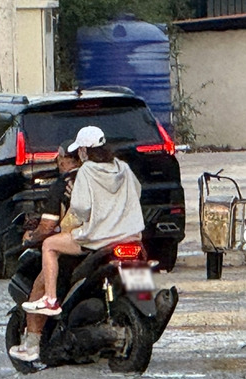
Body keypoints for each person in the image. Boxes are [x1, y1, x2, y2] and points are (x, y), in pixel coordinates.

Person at [21, 126, 144, 318]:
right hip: (130, 235)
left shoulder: (86, 171)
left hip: (97, 237)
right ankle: (143, 300)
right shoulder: (123, 167)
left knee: (49, 245)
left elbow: (81, 207)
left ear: (85, 150)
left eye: (80, 150)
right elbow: (137, 192)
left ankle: (50, 300)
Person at [8, 141, 83, 362]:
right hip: (121, 236)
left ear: (65, 159)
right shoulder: (115, 173)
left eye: (60, 159)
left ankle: (32, 343)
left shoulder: (66, 182)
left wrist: (31, 237)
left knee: (40, 284)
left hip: (82, 244)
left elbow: (48, 226)